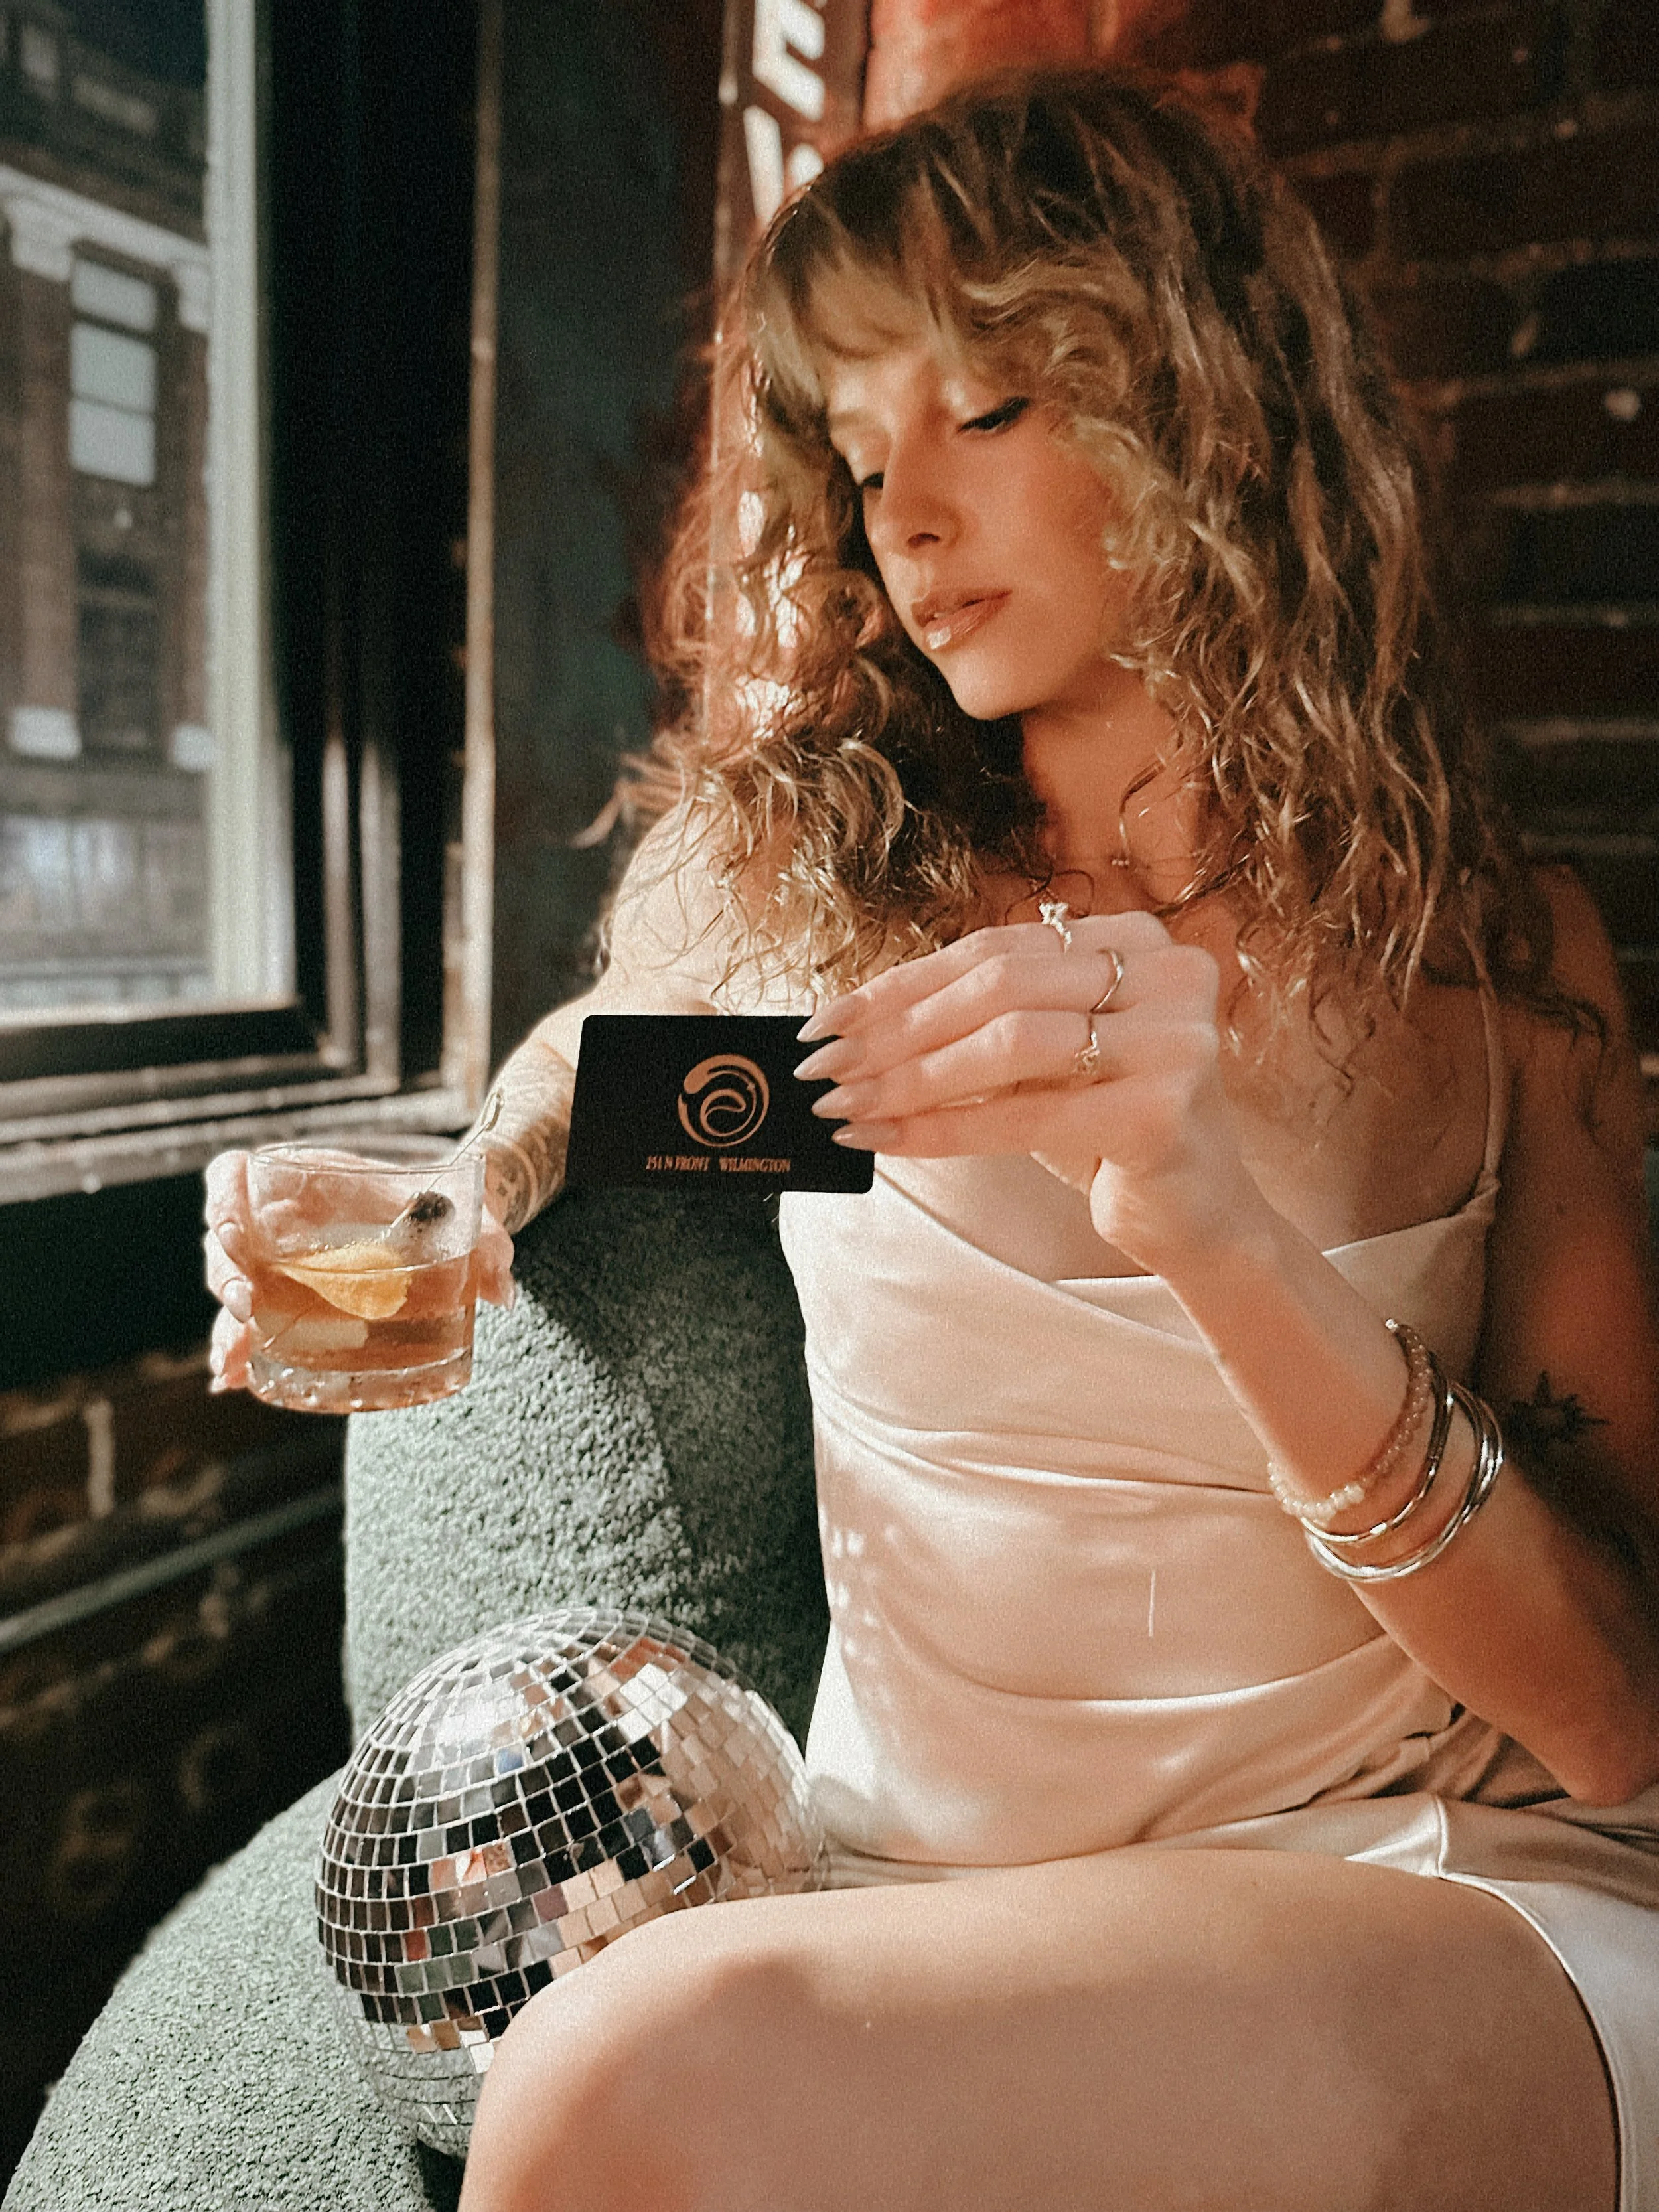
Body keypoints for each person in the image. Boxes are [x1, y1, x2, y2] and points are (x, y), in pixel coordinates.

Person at [205, 69, 1659, 2211]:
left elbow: (1619, 1717)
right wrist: (462, 1196)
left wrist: (1215, 1228)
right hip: (914, 1926)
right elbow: (600, 1073)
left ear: (1206, 408)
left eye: (980, 407)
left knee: (622, 2081)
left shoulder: (1487, 953)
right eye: (859, 447)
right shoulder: (825, 891)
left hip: (1432, 1896)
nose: (903, 507)